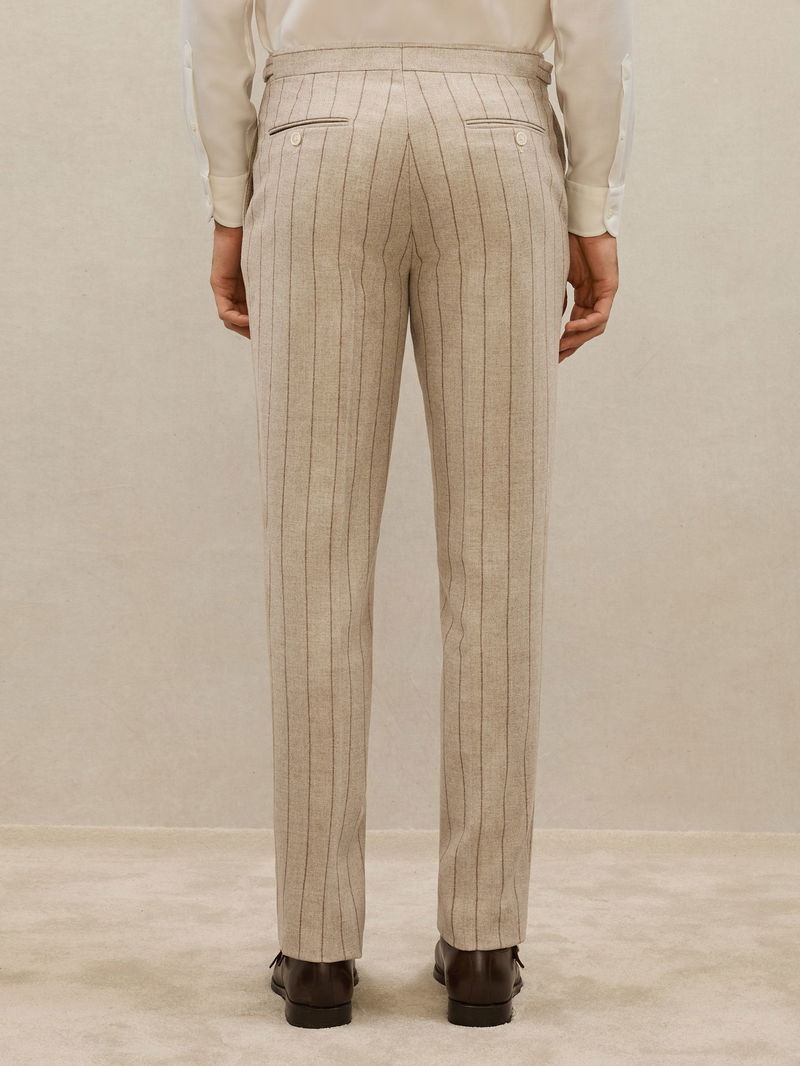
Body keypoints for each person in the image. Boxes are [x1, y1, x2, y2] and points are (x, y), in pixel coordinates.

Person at [180, 0, 634, 1030]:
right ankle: (482, 945)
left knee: (311, 557)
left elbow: (213, 21)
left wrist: (228, 199)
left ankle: (315, 951)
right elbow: (595, 25)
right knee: (497, 557)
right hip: (496, 136)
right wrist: (591, 208)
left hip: (314, 138)